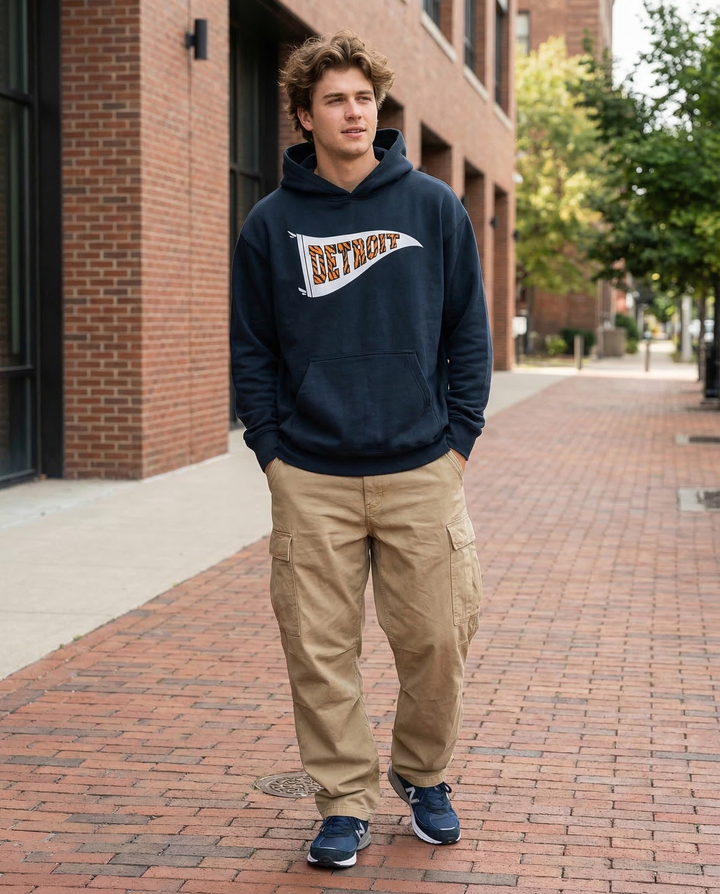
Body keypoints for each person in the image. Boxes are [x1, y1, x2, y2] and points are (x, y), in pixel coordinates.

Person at [230, 30, 492, 870]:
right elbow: (252, 351)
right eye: (336, 99)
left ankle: (424, 777)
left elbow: (467, 337)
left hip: (422, 467)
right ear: (304, 116)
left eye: (364, 99)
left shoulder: (433, 207)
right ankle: (342, 799)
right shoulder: (271, 225)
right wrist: (272, 451)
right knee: (319, 651)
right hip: (312, 475)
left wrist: (458, 443)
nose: (354, 112)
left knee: (440, 639)